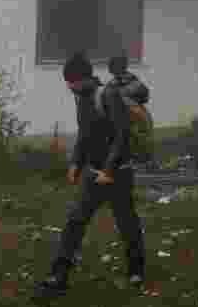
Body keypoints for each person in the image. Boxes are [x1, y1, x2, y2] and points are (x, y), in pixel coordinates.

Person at [34, 51, 145, 300]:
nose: (69, 87)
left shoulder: (107, 95)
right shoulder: (81, 99)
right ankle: (58, 276)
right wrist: (75, 163)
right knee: (75, 221)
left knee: (126, 222)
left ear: (84, 78)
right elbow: (85, 135)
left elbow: (122, 135)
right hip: (93, 174)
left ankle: (137, 269)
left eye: (72, 82)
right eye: (68, 83)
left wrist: (108, 170)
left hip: (118, 174)